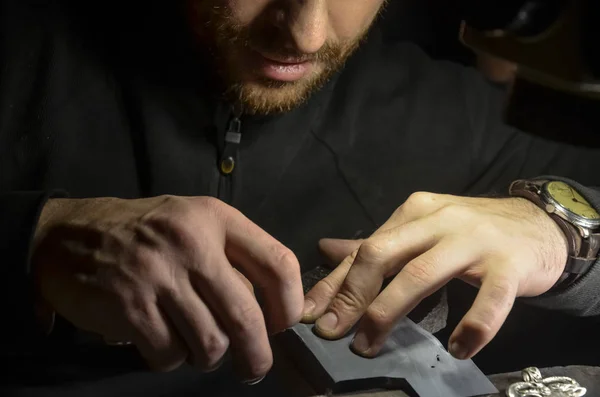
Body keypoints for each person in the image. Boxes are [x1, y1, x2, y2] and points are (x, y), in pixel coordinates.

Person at [1, 0, 599, 395]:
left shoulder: (447, 109)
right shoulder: (22, 59)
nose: (303, 33)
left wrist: (556, 232)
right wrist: (34, 236)